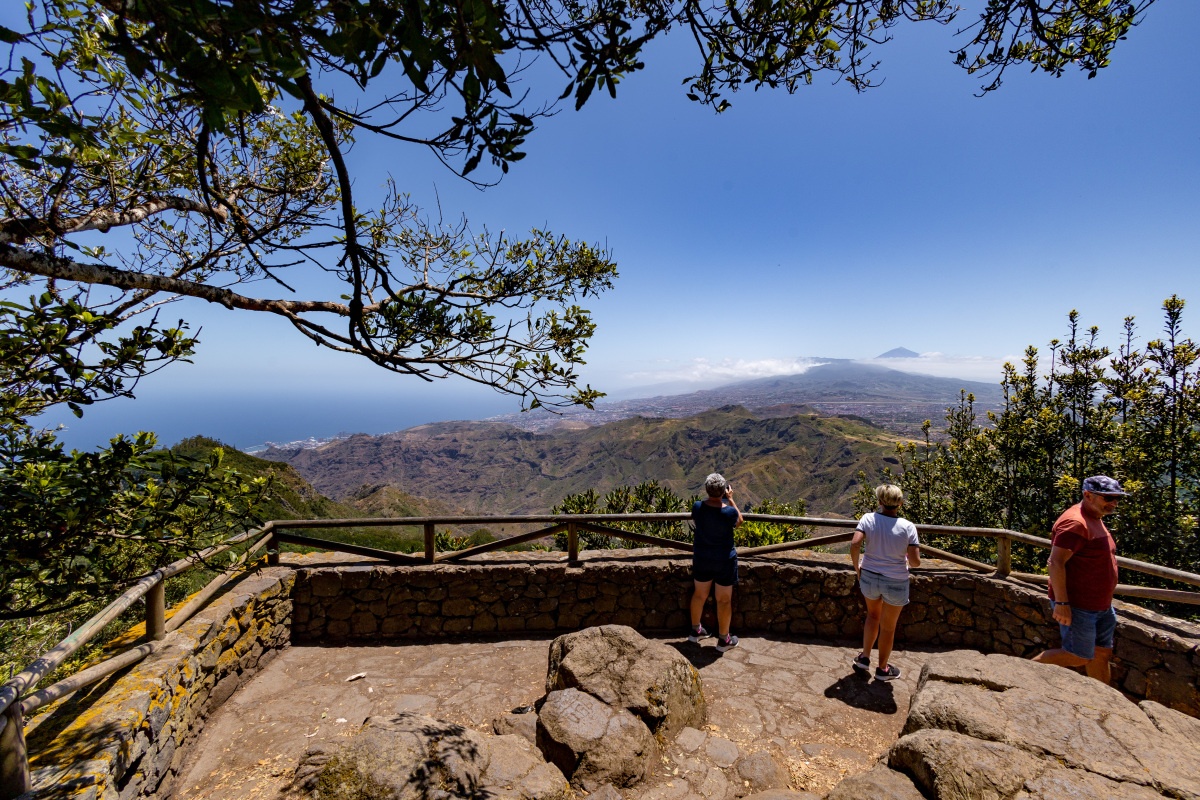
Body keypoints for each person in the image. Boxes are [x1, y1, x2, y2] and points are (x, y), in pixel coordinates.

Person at [1032, 475, 1126, 684]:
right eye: (1108, 497)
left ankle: (1106, 703)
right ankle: (1021, 673)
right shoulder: (1075, 523)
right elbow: (1056, 563)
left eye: (1117, 498)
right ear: (1088, 495)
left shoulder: (1095, 517)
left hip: (1100, 605)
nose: (1113, 503)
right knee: (1077, 655)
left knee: (1101, 653)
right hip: (1079, 606)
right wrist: (1062, 603)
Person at [850, 484, 920, 681]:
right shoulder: (908, 527)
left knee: (872, 616)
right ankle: (882, 669)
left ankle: (864, 658)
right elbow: (915, 562)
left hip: (870, 576)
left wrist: (857, 568)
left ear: (880, 502)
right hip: (896, 580)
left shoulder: (868, 519)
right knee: (888, 627)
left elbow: (855, 543)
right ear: (900, 503)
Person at [688, 472, 743, 652]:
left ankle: (696, 631)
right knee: (724, 600)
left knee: (699, 594)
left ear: (706, 489)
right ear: (723, 491)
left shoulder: (697, 507)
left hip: (702, 557)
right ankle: (723, 640)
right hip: (724, 561)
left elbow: (700, 518)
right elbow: (740, 520)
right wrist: (731, 499)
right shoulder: (728, 512)